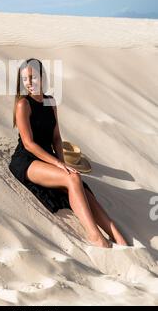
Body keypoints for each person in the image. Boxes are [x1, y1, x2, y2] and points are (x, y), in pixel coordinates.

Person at [9, 58, 128, 248]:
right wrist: (58, 165)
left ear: (42, 77)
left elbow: (56, 137)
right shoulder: (24, 104)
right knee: (73, 179)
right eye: (24, 79)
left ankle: (118, 237)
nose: (29, 83)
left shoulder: (50, 101)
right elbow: (29, 144)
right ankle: (95, 236)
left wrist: (63, 162)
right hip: (27, 161)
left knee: (81, 186)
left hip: (49, 158)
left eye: (33, 77)